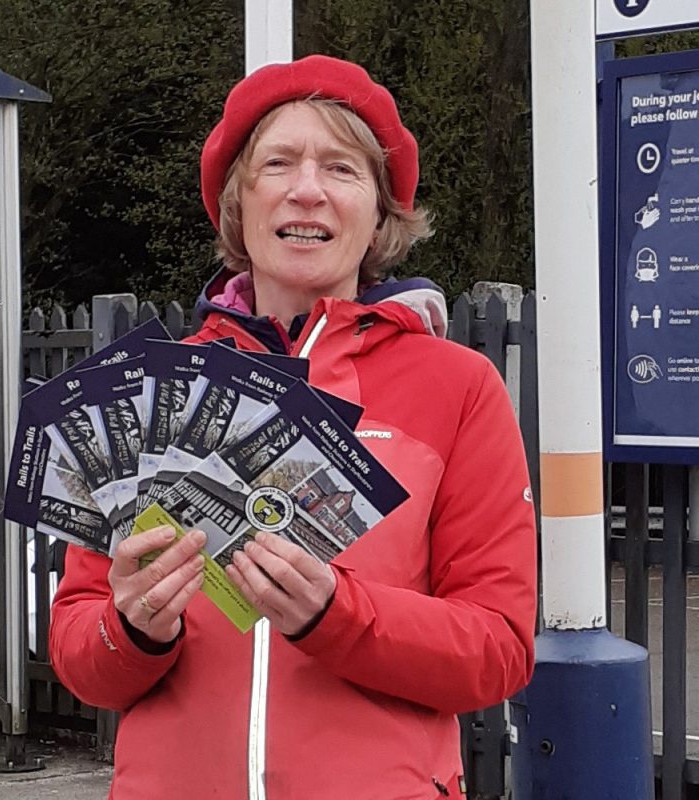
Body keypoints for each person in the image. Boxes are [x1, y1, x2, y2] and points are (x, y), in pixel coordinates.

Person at [50, 54, 537, 799]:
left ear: (380, 214)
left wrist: (337, 615)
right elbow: (81, 653)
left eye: (342, 169)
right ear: (238, 204)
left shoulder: (460, 388)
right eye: (278, 162)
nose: (307, 190)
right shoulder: (148, 392)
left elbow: (499, 651)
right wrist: (134, 627)